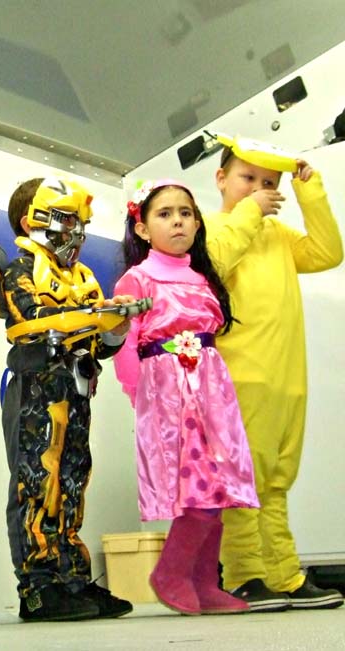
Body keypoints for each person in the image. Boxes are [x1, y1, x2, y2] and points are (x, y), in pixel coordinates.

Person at [204, 137, 344, 611]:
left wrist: (310, 190)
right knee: (242, 477)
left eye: (269, 183)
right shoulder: (210, 227)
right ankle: (245, 574)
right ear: (221, 179)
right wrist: (250, 211)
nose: (259, 190)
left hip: (287, 379)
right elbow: (215, 262)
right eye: (248, 179)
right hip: (240, 376)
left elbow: (328, 253)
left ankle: (284, 575)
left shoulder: (278, 236)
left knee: (276, 480)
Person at [114, 179, 259, 615]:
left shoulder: (202, 278)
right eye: (164, 214)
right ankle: (170, 573)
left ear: (197, 223)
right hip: (168, 395)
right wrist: (139, 394)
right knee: (197, 487)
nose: (177, 221)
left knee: (217, 485)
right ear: (142, 230)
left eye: (185, 213)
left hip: (212, 394)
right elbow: (124, 342)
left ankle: (203, 580)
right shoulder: (137, 279)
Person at [0, 176, 135, 622]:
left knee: (73, 481)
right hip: (38, 388)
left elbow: (99, 345)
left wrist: (114, 327)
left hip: (77, 390)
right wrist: (92, 317)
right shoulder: (20, 268)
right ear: (32, 220)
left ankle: (72, 578)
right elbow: (28, 320)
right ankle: (37, 586)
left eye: (81, 222)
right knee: (37, 481)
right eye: (67, 220)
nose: (76, 231)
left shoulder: (83, 277)